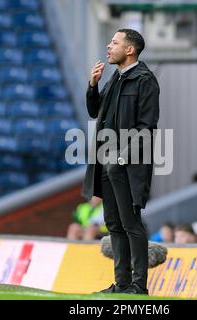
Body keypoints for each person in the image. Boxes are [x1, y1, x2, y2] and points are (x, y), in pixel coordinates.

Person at [82, 29, 160, 295]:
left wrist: (122, 157)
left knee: (131, 223)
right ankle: (121, 283)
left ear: (130, 50)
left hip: (127, 164)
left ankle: (139, 285)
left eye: (114, 42)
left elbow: (147, 127)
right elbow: (95, 112)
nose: (108, 46)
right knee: (114, 224)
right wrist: (93, 86)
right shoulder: (115, 78)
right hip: (106, 162)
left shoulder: (144, 80)